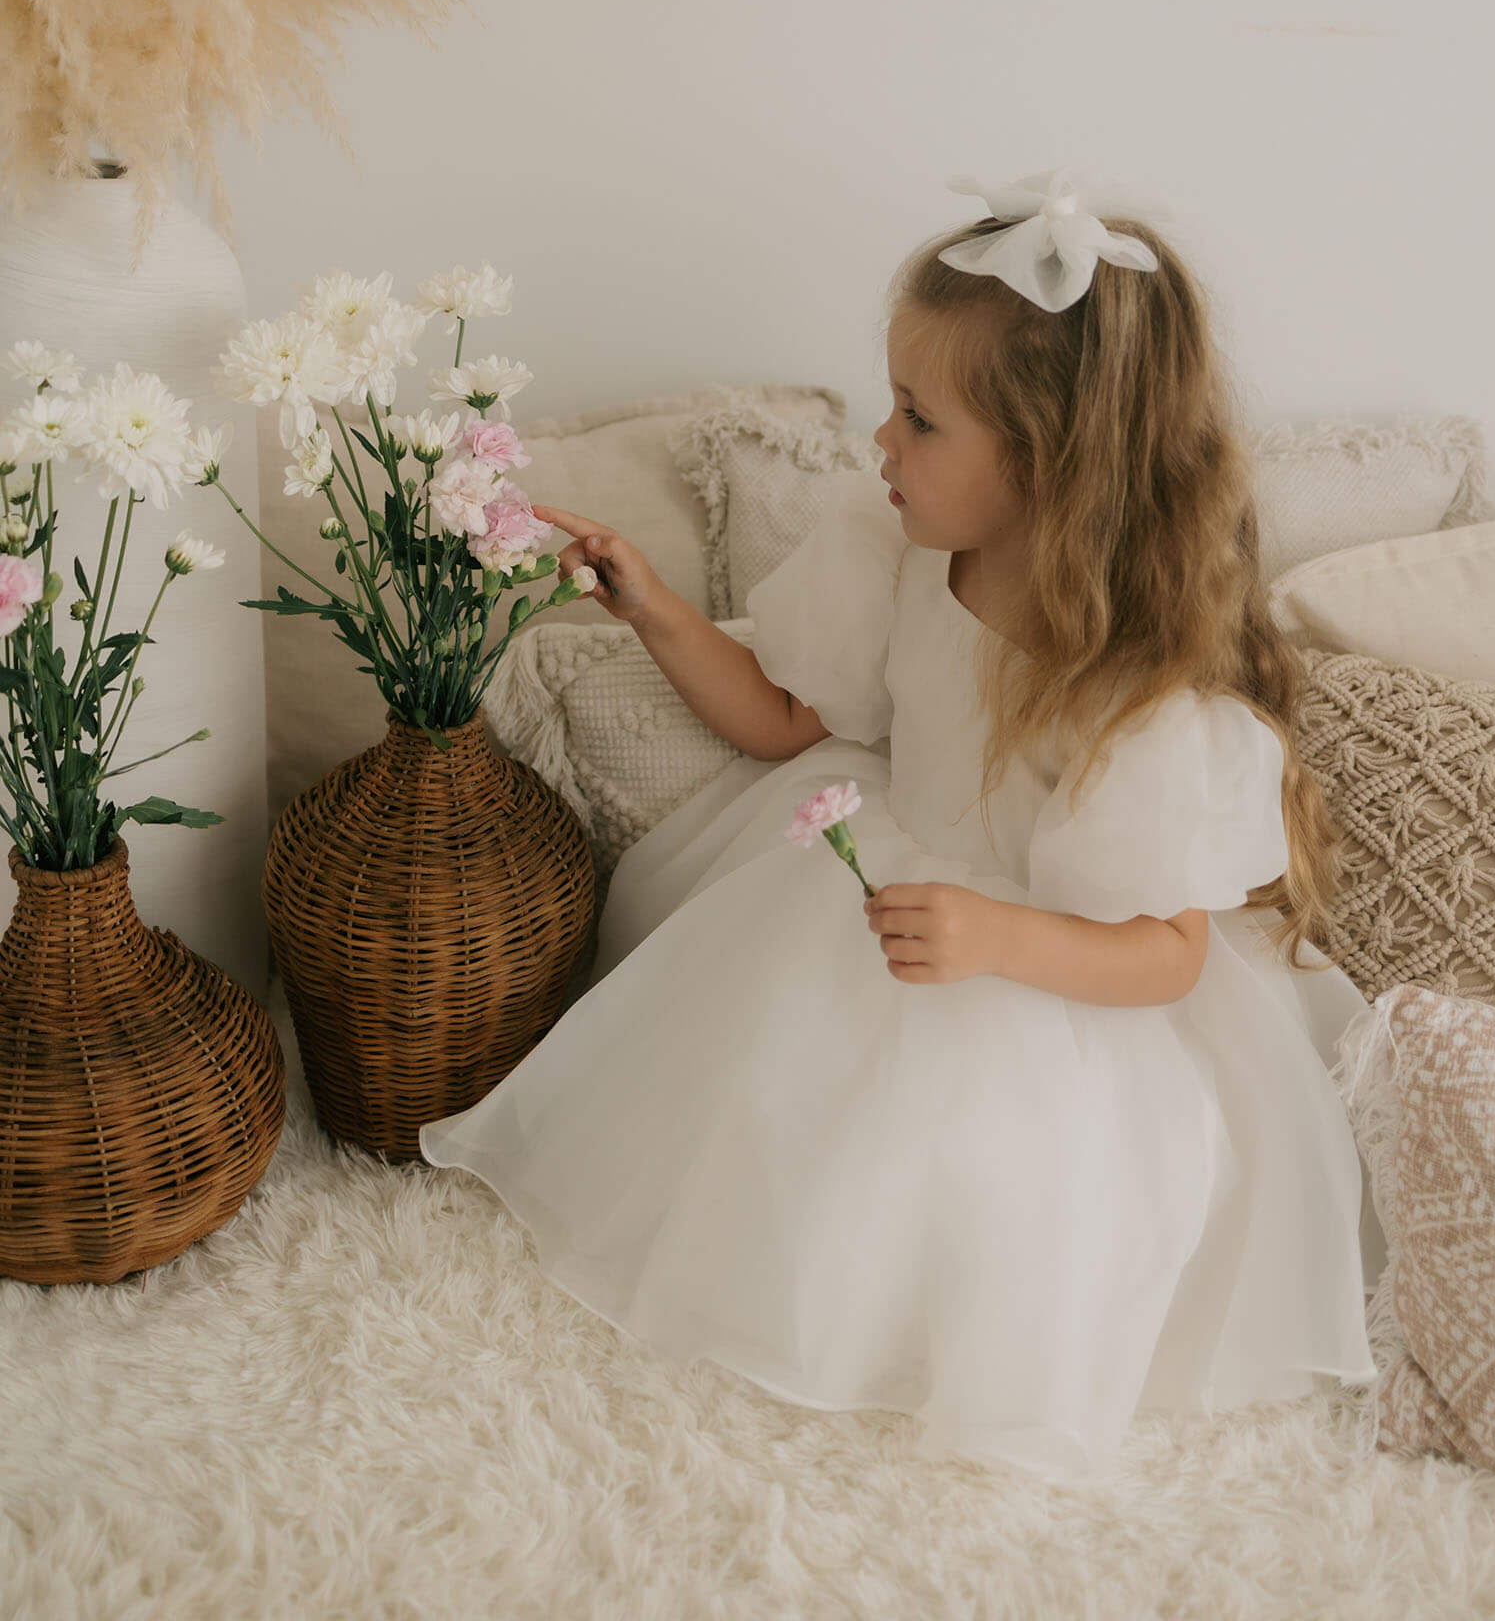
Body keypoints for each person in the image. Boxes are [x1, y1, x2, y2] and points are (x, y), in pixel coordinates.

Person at [419, 166, 1384, 1480]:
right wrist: (650, 605)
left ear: (1045, 464)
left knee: (989, 1161)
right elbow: (780, 721)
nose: (881, 444)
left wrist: (1000, 939)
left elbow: (1168, 951)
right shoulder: (899, 552)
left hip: (1057, 974)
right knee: (770, 1082)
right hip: (880, 888)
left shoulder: (1139, 700)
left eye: (920, 421)